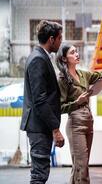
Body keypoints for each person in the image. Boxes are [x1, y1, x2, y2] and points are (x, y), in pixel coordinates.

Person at [56, 44, 102, 184]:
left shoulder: (84, 74)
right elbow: (59, 108)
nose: (77, 54)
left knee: (79, 167)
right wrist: (77, 102)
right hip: (75, 123)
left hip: (88, 121)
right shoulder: (62, 79)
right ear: (65, 59)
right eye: (72, 52)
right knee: (82, 167)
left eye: (76, 51)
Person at [20, 20, 65, 184]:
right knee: (39, 175)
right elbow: (40, 99)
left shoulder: (40, 57)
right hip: (39, 127)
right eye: (60, 38)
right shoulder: (38, 59)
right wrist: (55, 129)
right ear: (51, 39)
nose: (61, 42)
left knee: (40, 173)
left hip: (39, 125)